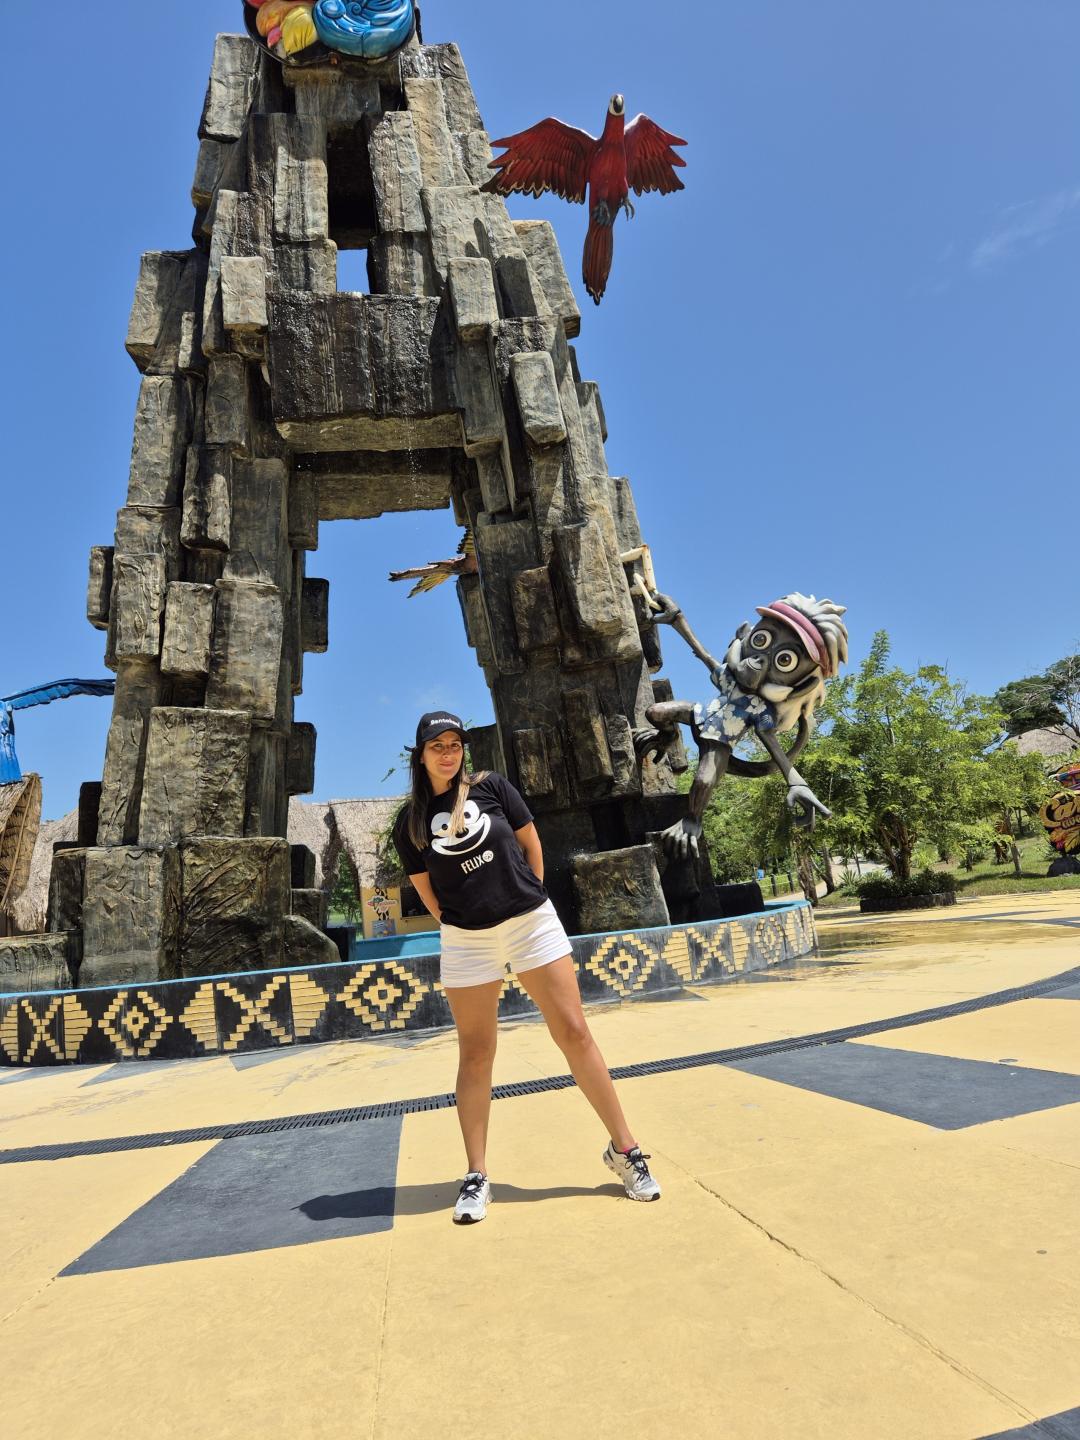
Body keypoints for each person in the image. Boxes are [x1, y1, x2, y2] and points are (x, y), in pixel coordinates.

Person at [393, 711, 662, 1224]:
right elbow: (430, 895)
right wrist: (468, 924)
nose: (448, 753)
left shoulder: (491, 787)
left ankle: (626, 1150)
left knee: (574, 1031)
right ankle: (476, 1175)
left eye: (455, 744)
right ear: (420, 755)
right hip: (467, 939)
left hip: (530, 922)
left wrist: (529, 899)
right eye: (437, 746)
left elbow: (531, 845)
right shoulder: (409, 824)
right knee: (476, 1053)